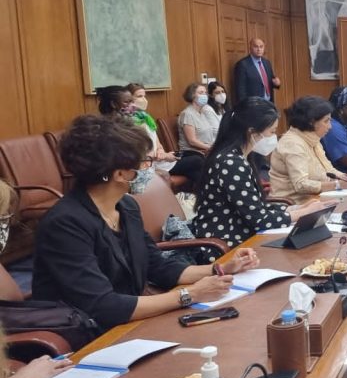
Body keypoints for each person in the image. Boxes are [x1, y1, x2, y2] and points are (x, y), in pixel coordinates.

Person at [32, 115, 257, 336]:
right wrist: (190, 295)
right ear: (120, 174)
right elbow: (103, 306)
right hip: (87, 333)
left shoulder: (126, 206)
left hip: (130, 321)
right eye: (146, 161)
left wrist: (220, 268)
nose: (150, 168)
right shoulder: (65, 224)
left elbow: (156, 265)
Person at [193, 97, 335, 253]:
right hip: (228, 244)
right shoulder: (231, 163)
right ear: (251, 132)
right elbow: (259, 219)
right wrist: (304, 213)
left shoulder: (240, 157)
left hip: (244, 235)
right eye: (272, 132)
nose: (274, 137)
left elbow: (254, 206)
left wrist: (297, 208)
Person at [97, 85, 204, 188]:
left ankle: (201, 195)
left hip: (154, 162)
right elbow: (134, 157)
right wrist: (164, 157)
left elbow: (156, 144)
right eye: (127, 102)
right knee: (197, 163)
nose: (132, 105)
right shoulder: (113, 128)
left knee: (196, 164)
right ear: (113, 104)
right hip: (141, 167)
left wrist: (162, 152)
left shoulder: (142, 118)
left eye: (132, 101)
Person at [270, 96, 347, 205]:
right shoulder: (292, 144)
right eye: (326, 121)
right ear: (311, 122)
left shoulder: (313, 138)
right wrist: (338, 185)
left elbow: (329, 171)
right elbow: (301, 184)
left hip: (318, 199)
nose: (330, 127)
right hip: (295, 205)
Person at [177, 82, 221, 156]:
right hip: (192, 154)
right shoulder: (187, 114)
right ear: (192, 96)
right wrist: (211, 148)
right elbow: (192, 141)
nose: (204, 95)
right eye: (201, 93)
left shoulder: (202, 112)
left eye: (205, 93)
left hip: (207, 151)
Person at [233, 38, 280, 102]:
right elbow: (240, 89)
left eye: (261, 47)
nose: (259, 49)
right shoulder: (242, 65)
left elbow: (270, 80)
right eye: (256, 46)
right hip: (253, 104)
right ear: (250, 48)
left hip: (269, 103)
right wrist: (245, 105)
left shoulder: (266, 63)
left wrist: (277, 83)